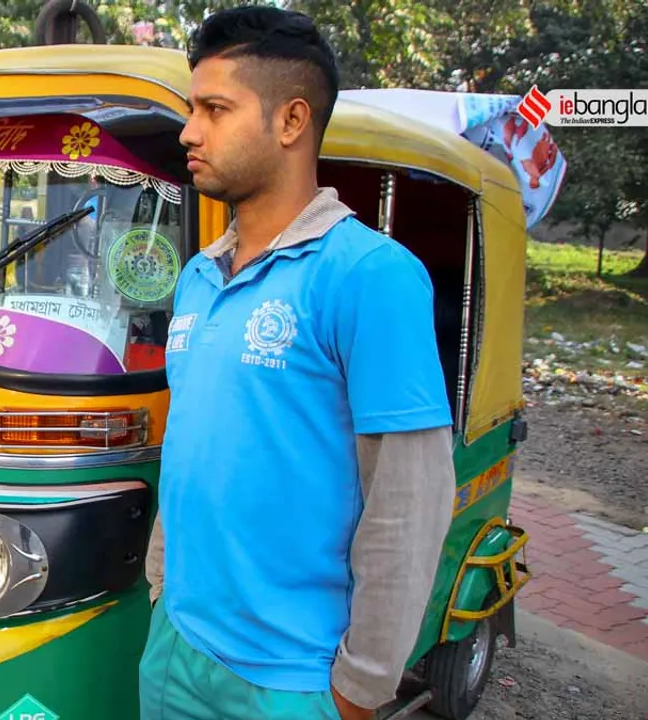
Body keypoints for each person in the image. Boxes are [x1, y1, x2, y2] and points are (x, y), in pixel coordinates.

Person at [140, 7, 455, 720]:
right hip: (175, 646)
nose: (189, 131)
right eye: (193, 108)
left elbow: (409, 502)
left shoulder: (370, 277)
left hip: (292, 680)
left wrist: (359, 688)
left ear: (290, 121)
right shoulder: (198, 277)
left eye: (215, 109)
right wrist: (162, 581)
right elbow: (192, 438)